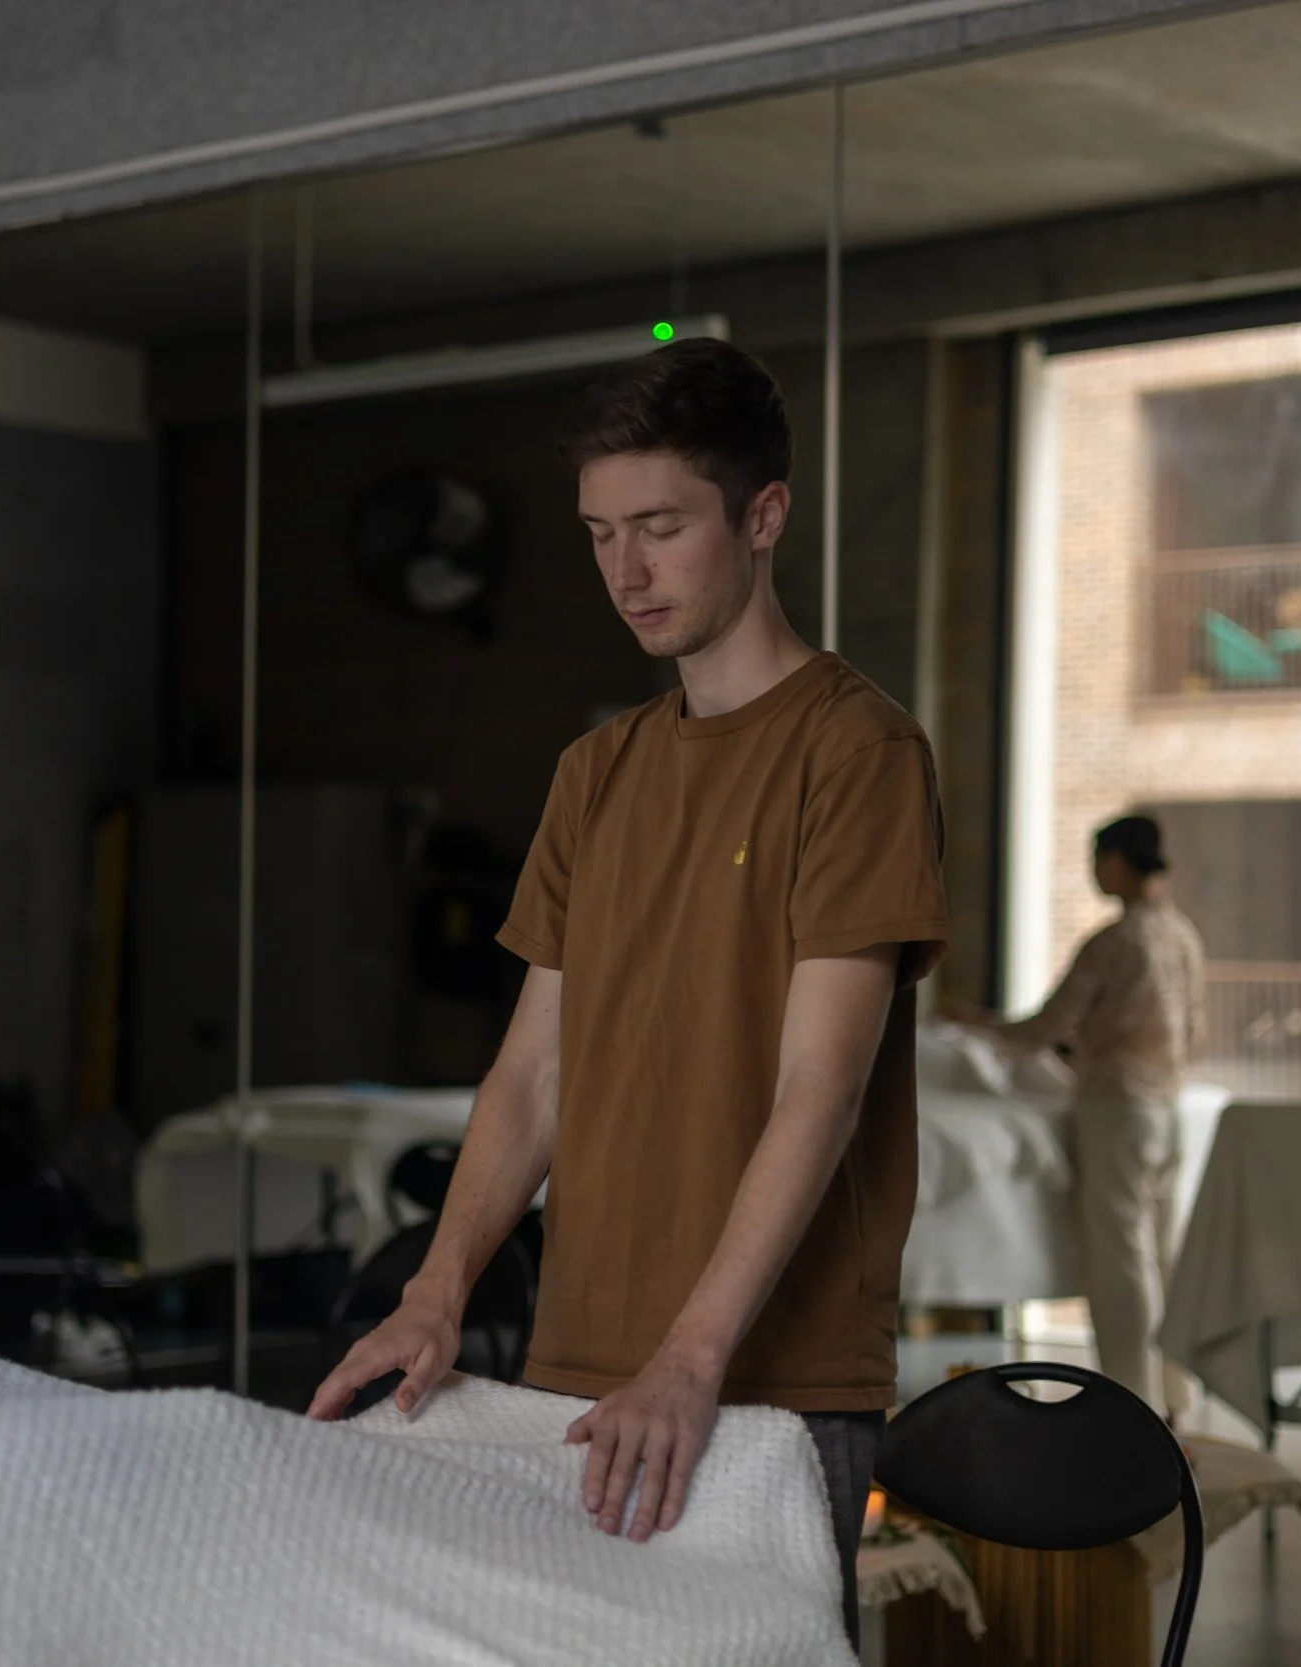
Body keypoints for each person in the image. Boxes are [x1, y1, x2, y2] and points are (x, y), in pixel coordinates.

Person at [307, 337, 948, 1645]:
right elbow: (532, 1073)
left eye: (661, 527)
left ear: (762, 515)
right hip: (577, 1361)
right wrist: (435, 1291)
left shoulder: (857, 751)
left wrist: (691, 1355)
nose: (626, 573)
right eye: (601, 534)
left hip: (768, 1376)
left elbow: (820, 1087)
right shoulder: (595, 773)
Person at [959, 815, 1204, 1417]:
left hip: (1117, 1109)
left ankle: (1131, 1400)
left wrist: (976, 1024)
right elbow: (1193, 1028)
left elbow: (1043, 1028)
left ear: (1117, 862)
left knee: (1120, 1261)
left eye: (1097, 861)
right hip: (1169, 1106)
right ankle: (1177, 1394)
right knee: (1163, 1254)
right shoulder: (1182, 935)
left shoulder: (1115, 941)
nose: (1095, 873)